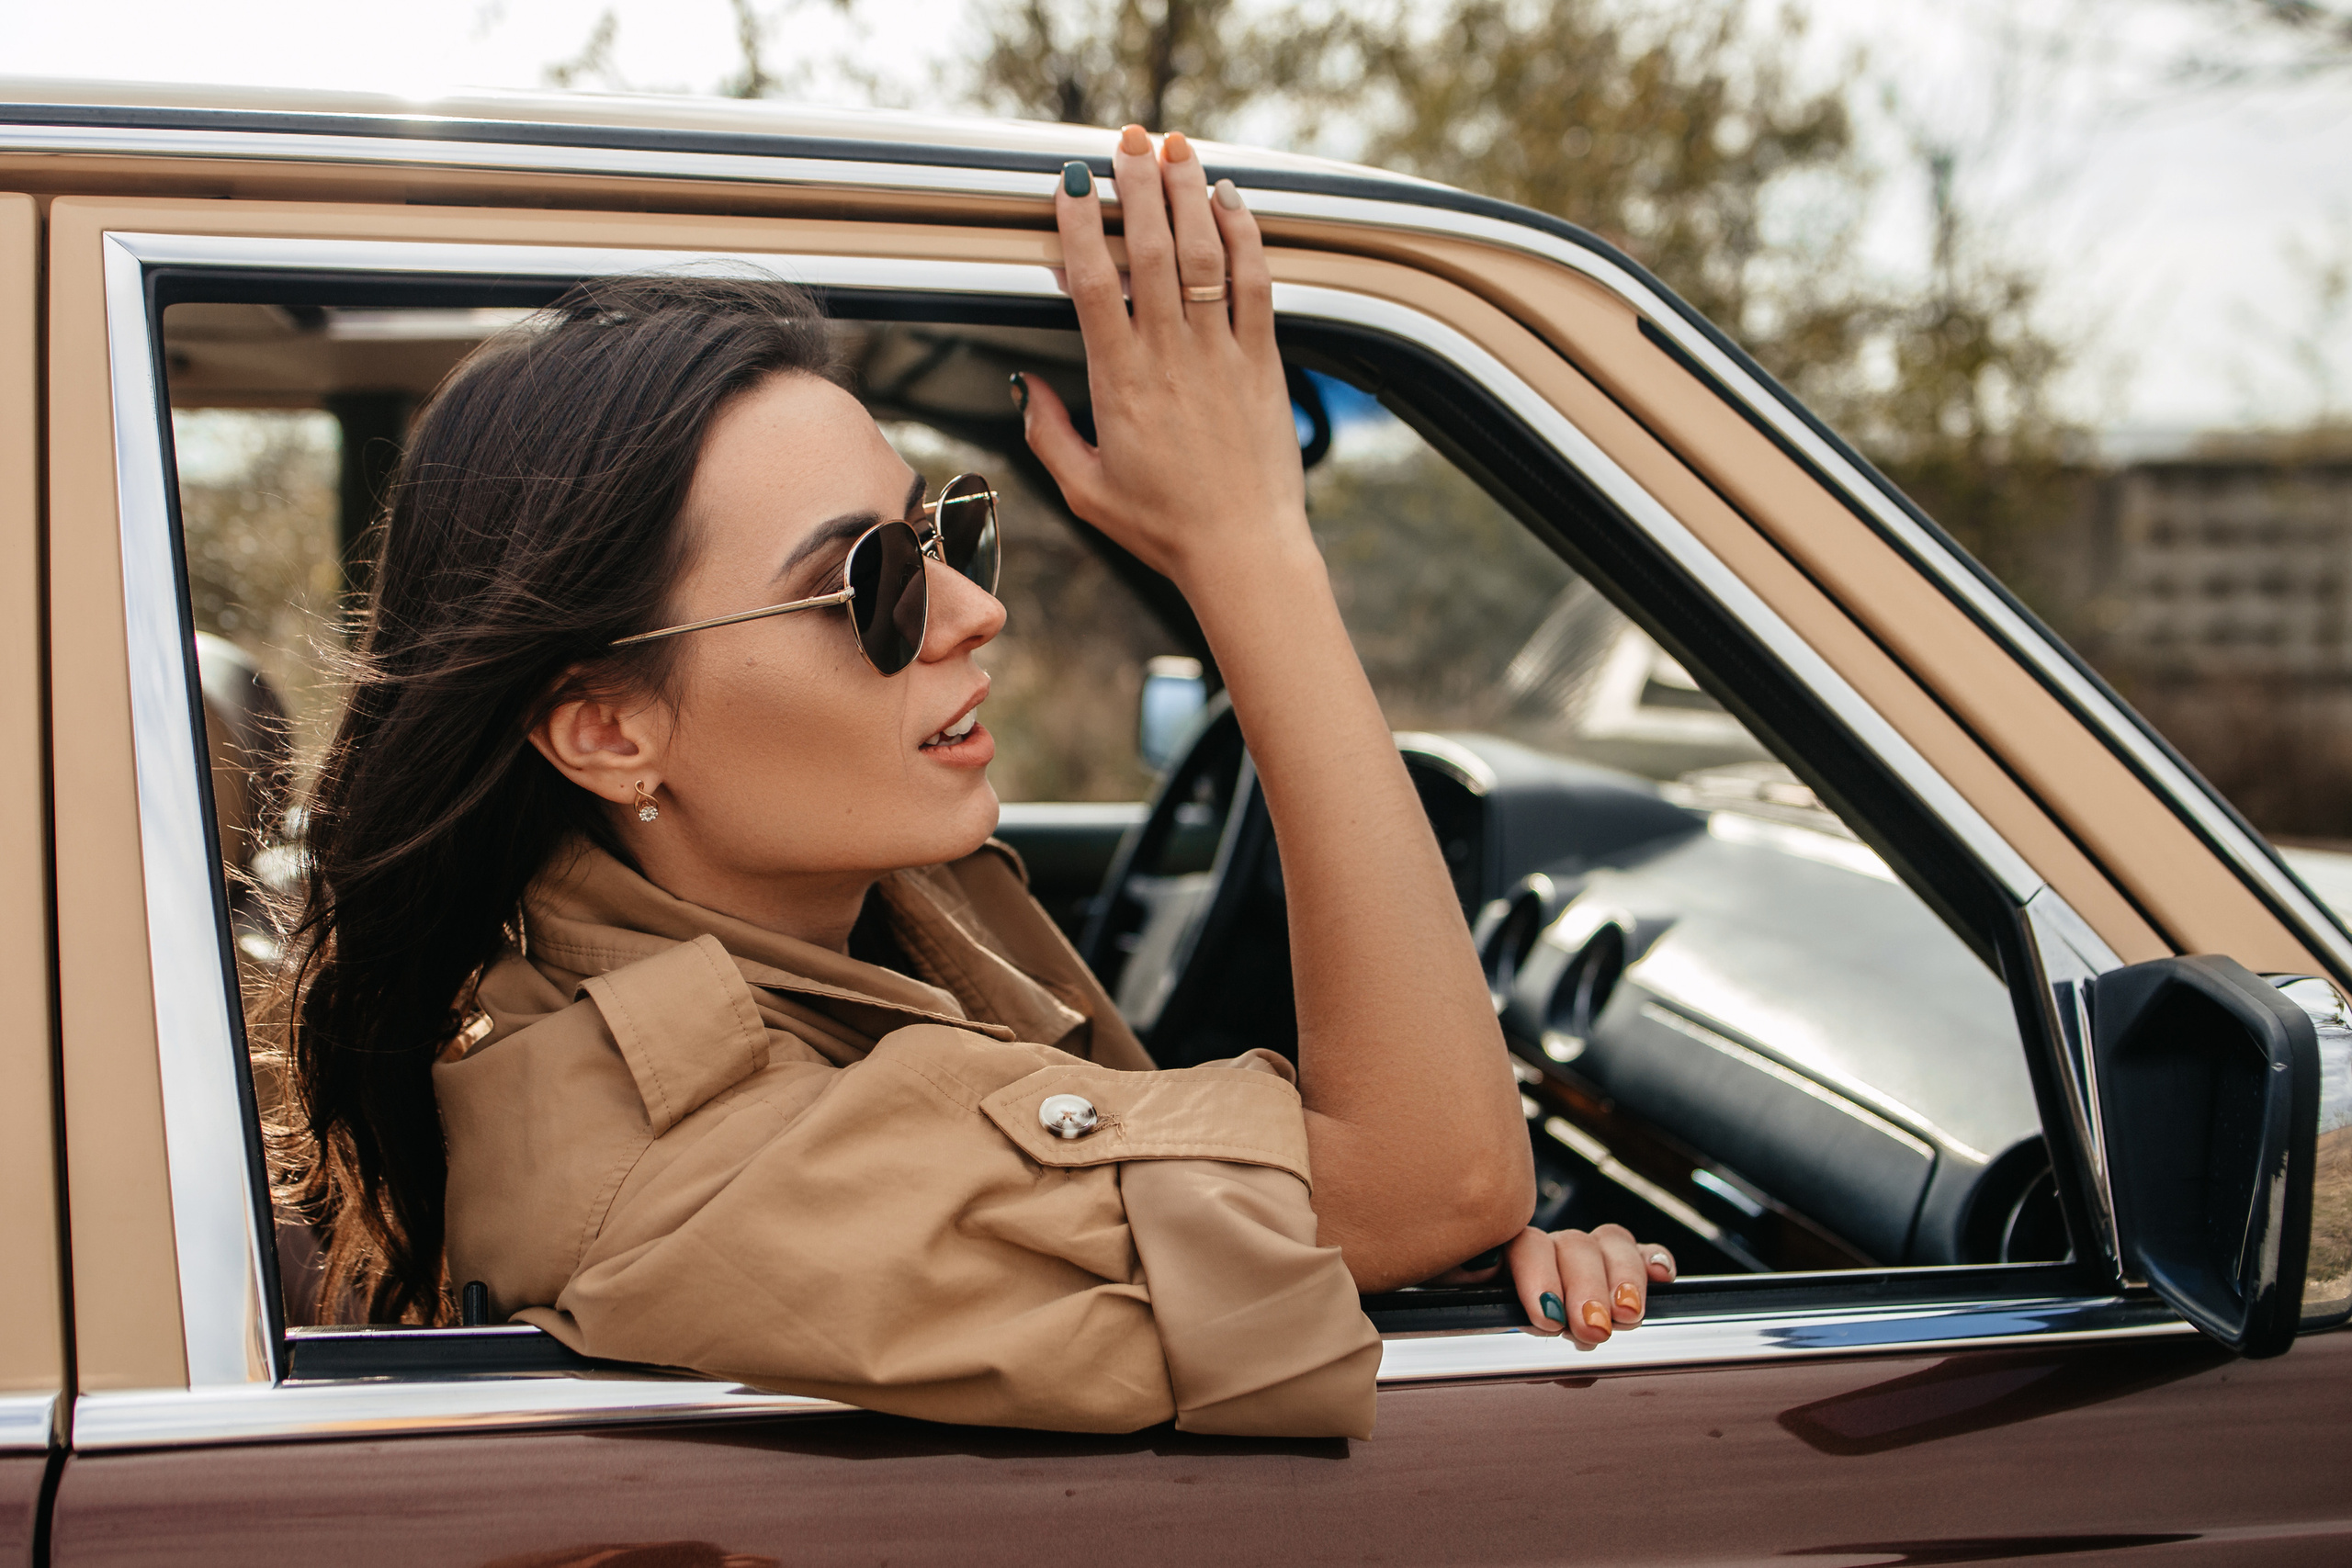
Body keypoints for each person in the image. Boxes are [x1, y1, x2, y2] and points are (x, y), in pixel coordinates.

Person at [280, 122, 1675, 1438]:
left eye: (943, 530)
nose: (969, 610)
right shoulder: (701, 1177)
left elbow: (1376, 1209)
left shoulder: (864, 879)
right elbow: (1436, 1175)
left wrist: (1449, 1282)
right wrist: (1248, 548)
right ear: (605, 733)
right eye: (869, 585)